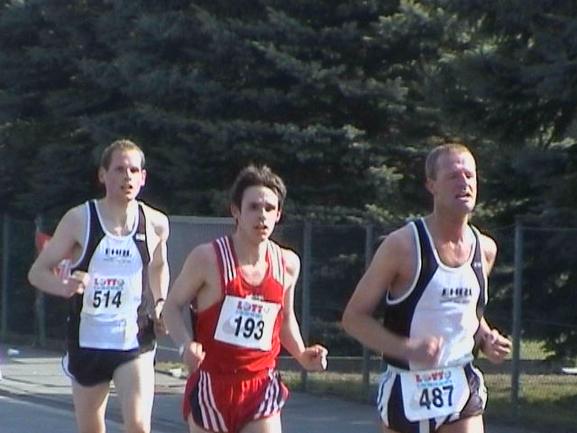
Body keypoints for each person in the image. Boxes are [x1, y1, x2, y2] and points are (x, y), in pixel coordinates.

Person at [342, 142, 512, 433]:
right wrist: (407, 349)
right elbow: (354, 318)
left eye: (470, 175)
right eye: (453, 176)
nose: (464, 183)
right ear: (431, 185)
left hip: (460, 385)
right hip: (408, 387)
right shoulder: (402, 245)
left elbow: (467, 313)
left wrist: (486, 338)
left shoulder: (485, 249)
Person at [162, 164, 328, 433]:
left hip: (260, 386)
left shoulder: (287, 263)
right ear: (236, 211)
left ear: (278, 214)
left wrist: (301, 353)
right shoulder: (208, 258)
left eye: (269, 208)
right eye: (253, 207)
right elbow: (171, 306)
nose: (262, 216)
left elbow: (285, 319)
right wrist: (185, 346)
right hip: (212, 386)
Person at [28, 139, 170, 433]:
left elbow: (158, 266)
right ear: (103, 175)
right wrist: (63, 285)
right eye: (119, 169)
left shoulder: (155, 223)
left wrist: (160, 303)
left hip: (135, 339)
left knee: (139, 425)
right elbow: (37, 272)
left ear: (143, 178)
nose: (127, 177)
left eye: (134, 170)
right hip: (89, 340)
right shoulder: (80, 219)